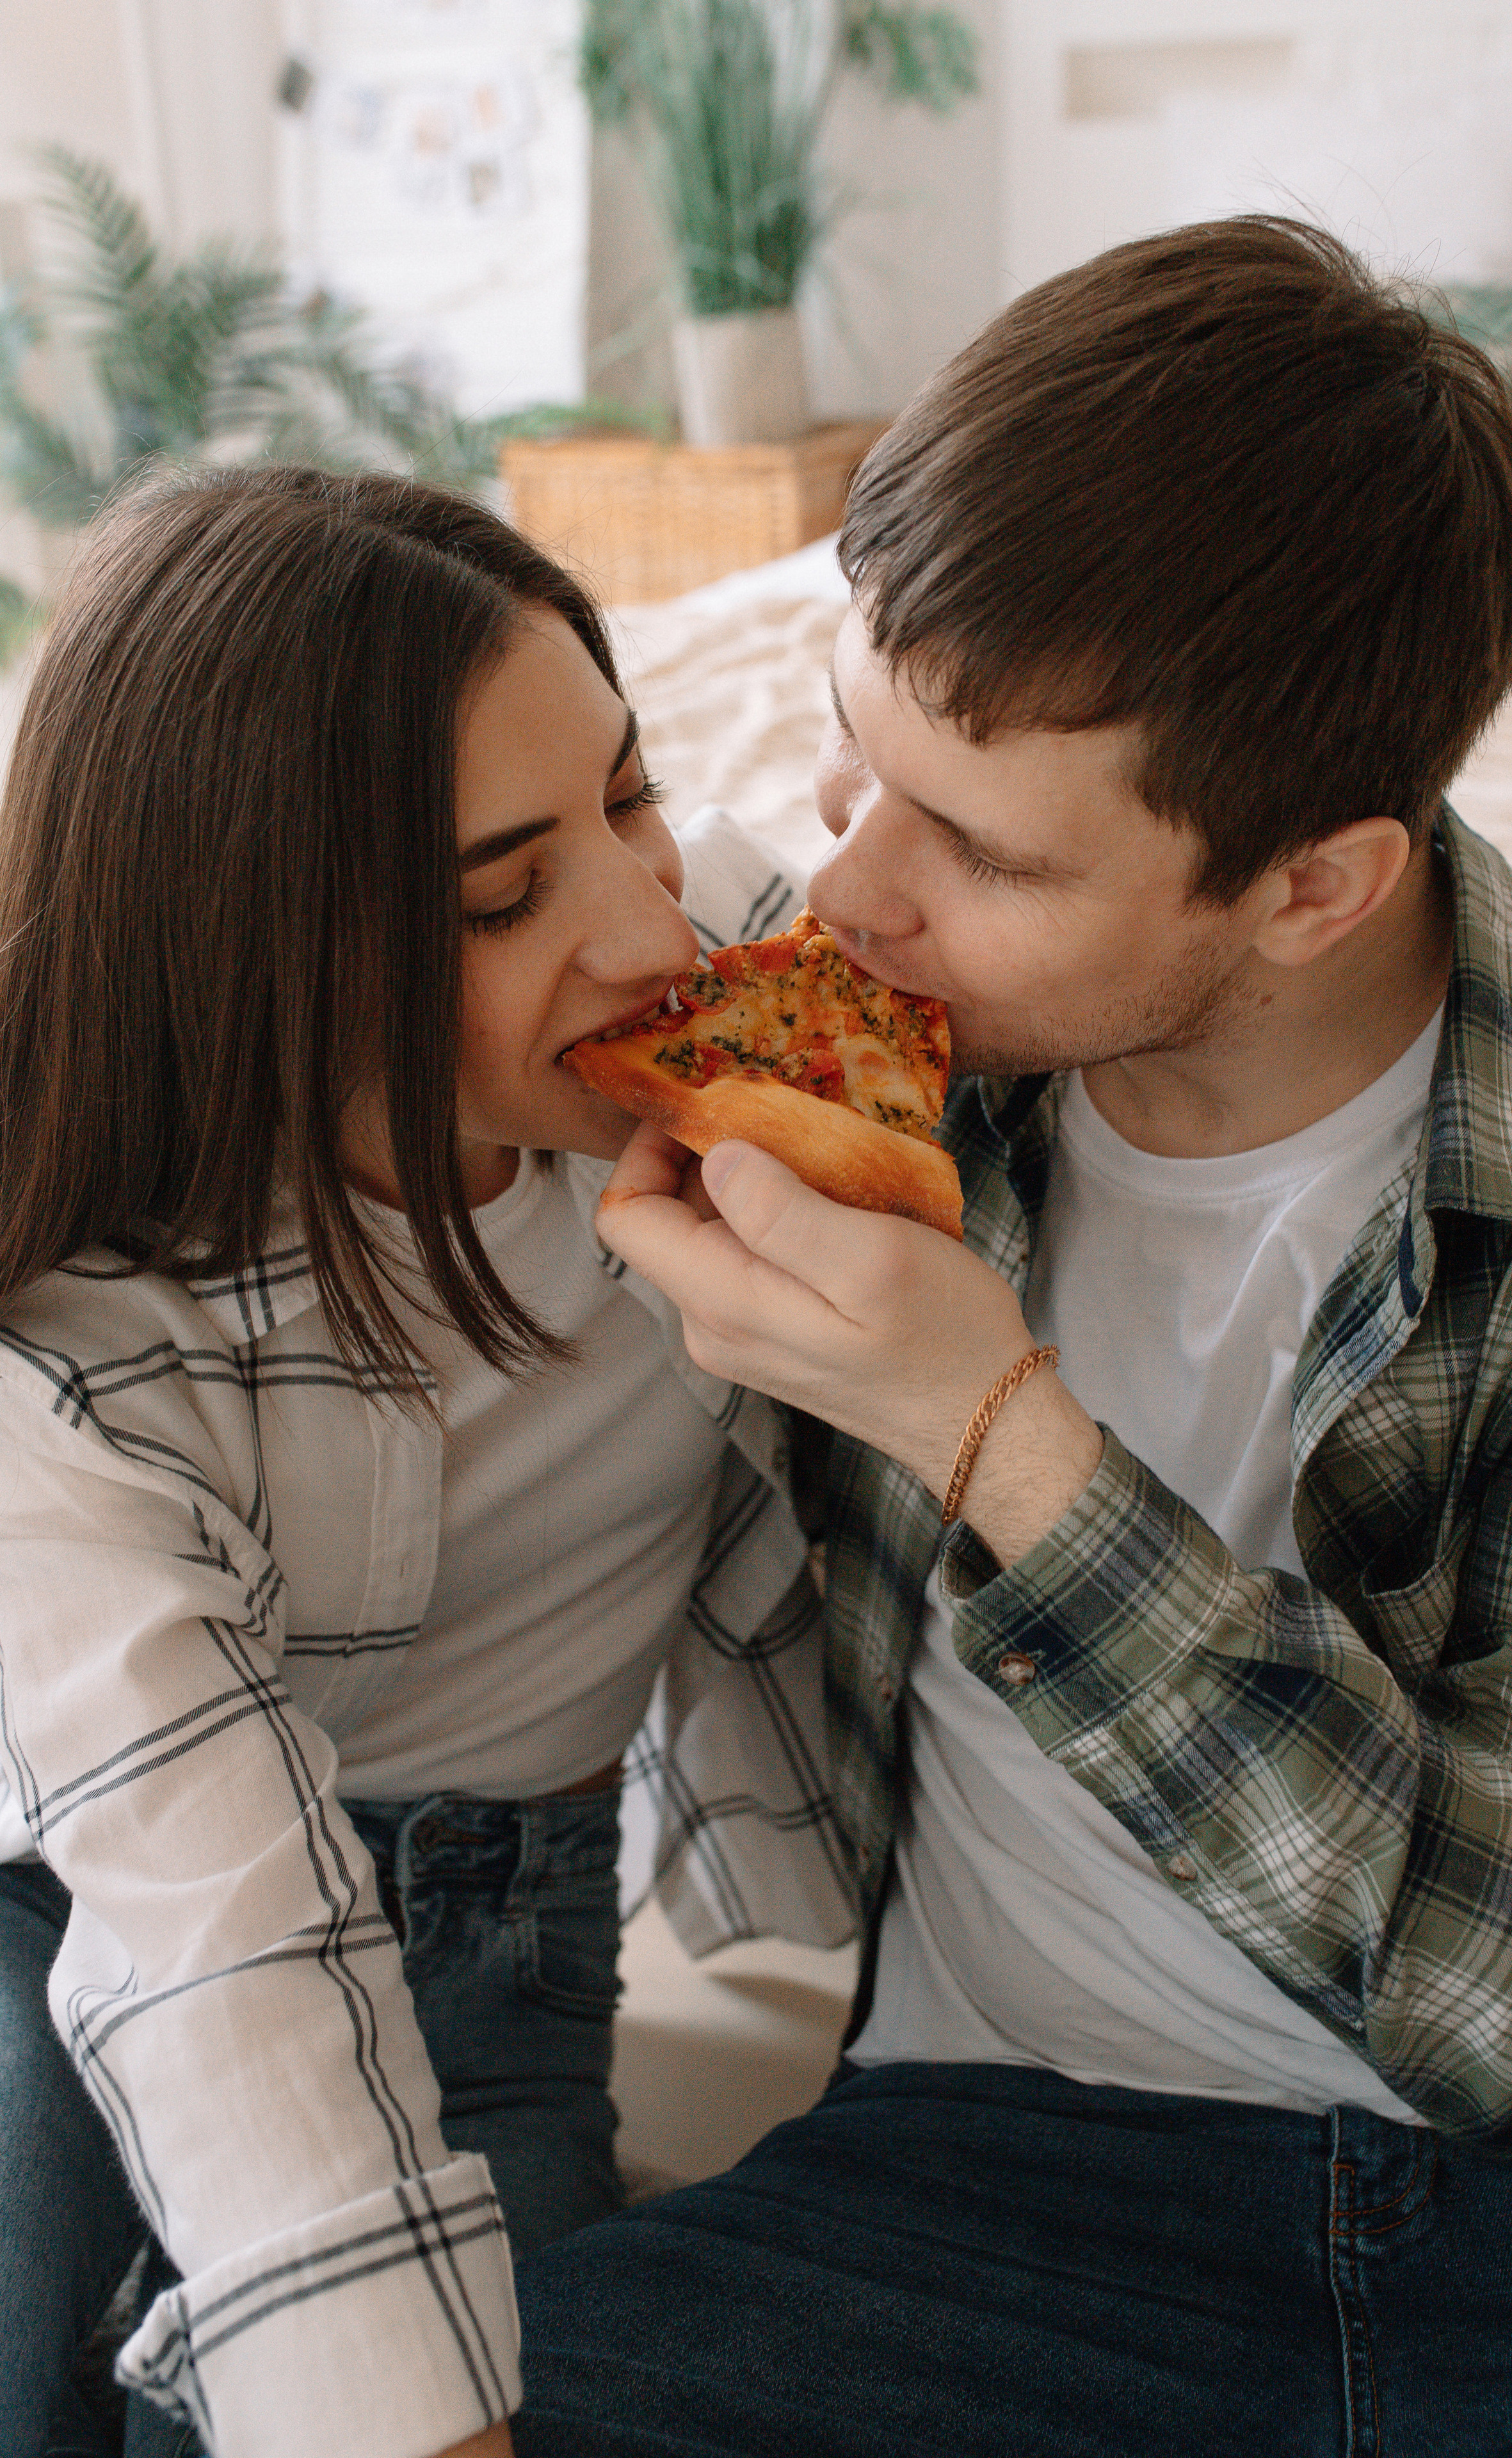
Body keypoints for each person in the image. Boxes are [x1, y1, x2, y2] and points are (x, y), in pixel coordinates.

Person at [508, 218, 1512, 2455]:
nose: (845, 898)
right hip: (974, 2178)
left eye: (985, 856)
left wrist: (984, 1426)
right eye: (854, 758)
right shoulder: (842, 1021)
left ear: (1318, 884)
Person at [0, 467, 846, 2458]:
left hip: (496, 1936)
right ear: (261, 944)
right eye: (501, 891)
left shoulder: (747, 984)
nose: (648, 923)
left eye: (630, 795)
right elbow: (217, 1931)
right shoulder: (73, 1336)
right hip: (81, 1912)